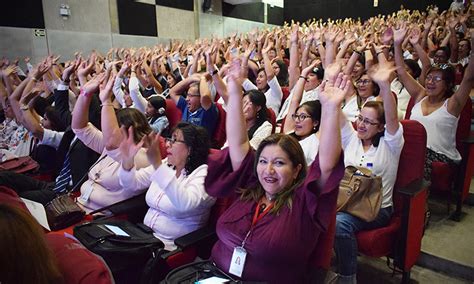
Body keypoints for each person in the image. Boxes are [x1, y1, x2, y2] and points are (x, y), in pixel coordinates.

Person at [203, 58, 346, 282]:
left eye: (279, 163)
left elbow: (327, 165)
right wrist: (233, 86)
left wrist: (330, 108)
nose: (268, 170)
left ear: (297, 169)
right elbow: (239, 143)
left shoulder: (304, 200)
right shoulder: (251, 186)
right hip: (215, 275)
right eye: (263, 161)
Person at [334, 60, 405, 284]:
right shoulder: (351, 138)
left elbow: (392, 118)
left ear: (381, 127)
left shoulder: (391, 144)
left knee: (338, 223)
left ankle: (347, 278)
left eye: (369, 122)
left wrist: (384, 86)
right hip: (347, 202)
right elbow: (334, 109)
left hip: (377, 209)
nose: (361, 125)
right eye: (360, 119)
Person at [393, 24, 474, 181]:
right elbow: (402, 72)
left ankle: (418, 203)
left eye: (437, 79)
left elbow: (469, 78)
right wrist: (397, 44)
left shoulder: (452, 104)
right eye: (429, 78)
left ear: (448, 84)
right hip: (413, 150)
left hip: (440, 156)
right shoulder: (420, 95)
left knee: (415, 160)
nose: (430, 82)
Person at [117, 122, 215, 250]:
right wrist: (127, 160)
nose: (168, 144)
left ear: (190, 148)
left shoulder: (205, 175)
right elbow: (132, 184)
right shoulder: (167, 165)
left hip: (170, 248)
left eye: (174, 140)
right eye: (169, 139)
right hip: (144, 237)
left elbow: (185, 204)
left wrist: (157, 164)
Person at [283, 61, 323, 165]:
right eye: (296, 116)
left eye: (303, 117)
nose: (297, 120)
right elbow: (294, 101)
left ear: (315, 122)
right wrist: (303, 74)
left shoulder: (318, 140)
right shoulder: (289, 133)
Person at [169, 72, 219, 137]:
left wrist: (202, 78)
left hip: (196, 145)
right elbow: (172, 92)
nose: (187, 99)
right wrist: (190, 79)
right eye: (187, 95)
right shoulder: (186, 106)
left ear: (200, 97)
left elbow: (205, 95)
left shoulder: (207, 110)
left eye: (190, 96)